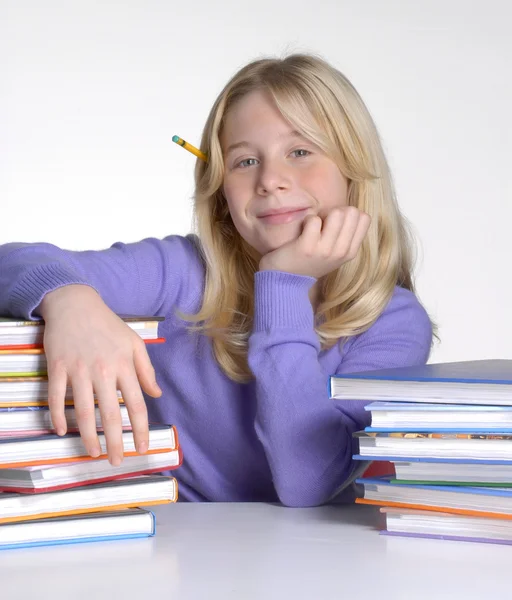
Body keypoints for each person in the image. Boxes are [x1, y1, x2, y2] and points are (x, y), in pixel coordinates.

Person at [0, 53, 434, 506]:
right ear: (221, 188)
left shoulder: (393, 323)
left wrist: (283, 285)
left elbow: (307, 484)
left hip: (311, 564)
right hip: (166, 547)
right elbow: (12, 261)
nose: (270, 180)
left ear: (354, 169)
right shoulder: (183, 271)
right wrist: (70, 301)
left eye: (300, 152)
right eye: (245, 161)